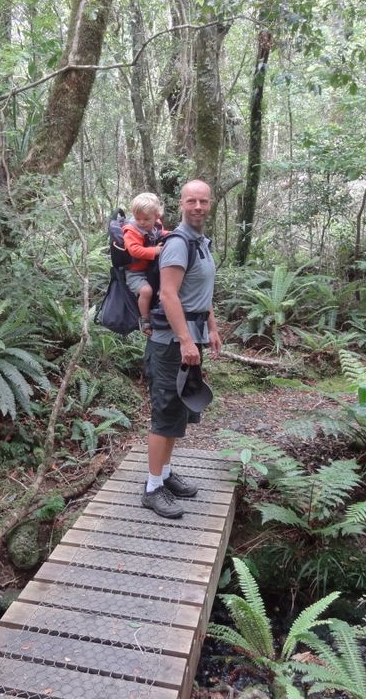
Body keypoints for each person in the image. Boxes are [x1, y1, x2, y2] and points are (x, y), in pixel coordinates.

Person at [141, 179, 222, 519]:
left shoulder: (200, 242)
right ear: (181, 204)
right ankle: (152, 488)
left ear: (210, 203)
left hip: (191, 338)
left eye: (203, 201)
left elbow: (201, 293)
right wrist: (186, 340)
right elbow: (168, 294)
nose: (198, 207)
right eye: (192, 201)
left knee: (177, 410)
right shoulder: (178, 243)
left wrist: (211, 328)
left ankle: (165, 474)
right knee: (165, 413)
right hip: (171, 344)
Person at [122, 192, 167, 334]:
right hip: (135, 272)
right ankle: (144, 320)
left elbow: (160, 234)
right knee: (146, 291)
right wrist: (155, 251)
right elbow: (134, 250)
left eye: (146, 219)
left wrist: (175, 235)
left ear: (156, 216)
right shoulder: (132, 231)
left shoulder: (156, 226)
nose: (141, 222)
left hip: (150, 269)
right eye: (138, 218)